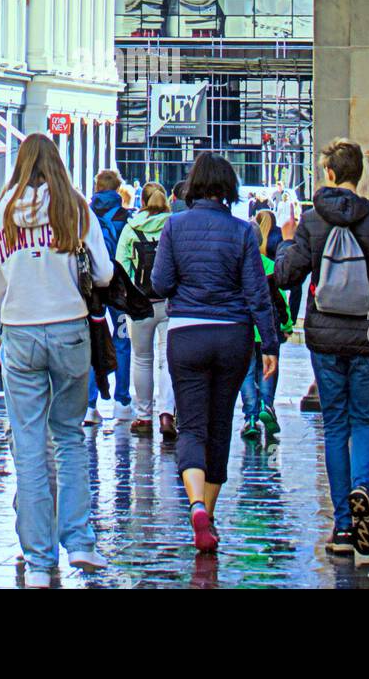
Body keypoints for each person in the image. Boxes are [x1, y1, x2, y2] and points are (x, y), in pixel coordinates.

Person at [0, 133, 113, 587]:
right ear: (57, 163)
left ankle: (38, 561)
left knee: (29, 442)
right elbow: (106, 271)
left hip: (20, 330)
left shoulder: (2, 210)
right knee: (70, 436)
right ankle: (80, 541)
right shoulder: (73, 206)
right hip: (70, 326)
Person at [274, 138, 369, 559]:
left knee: (334, 427)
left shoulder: (311, 222)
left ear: (331, 175)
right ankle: (363, 490)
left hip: (324, 335)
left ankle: (342, 528)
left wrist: (286, 243)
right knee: (364, 423)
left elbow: (286, 277)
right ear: (359, 174)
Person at [150, 152, 278, 553]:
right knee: (220, 425)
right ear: (229, 188)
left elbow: (160, 282)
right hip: (232, 337)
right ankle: (209, 511)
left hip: (186, 332)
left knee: (191, 425)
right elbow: (258, 293)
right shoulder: (242, 232)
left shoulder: (174, 226)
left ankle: (195, 508)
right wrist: (270, 344)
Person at [117, 181, 176, 440]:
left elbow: (121, 267)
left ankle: (142, 415)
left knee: (142, 359)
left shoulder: (131, 229)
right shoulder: (174, 227)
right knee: (167, 360)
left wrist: (128, 298)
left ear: (143, 203)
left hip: (140, 305)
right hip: (169, 302)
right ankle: (166, 414)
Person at [85, 168, 132, 426]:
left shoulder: (86, 216)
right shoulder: (126, 217)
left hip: (92, 288)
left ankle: (91, 405)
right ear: (117, 190)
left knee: (94, 343)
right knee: (122, 341)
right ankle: (121, 400)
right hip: (119, 287)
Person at [240, 210, 291, 441]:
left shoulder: (235, 267)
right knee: (268, 369)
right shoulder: (270, 265)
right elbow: (280, 298)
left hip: (244, 330)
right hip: (268, 329)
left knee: (247, 373)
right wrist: (287, 323)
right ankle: (267, 406)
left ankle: (250, 417)